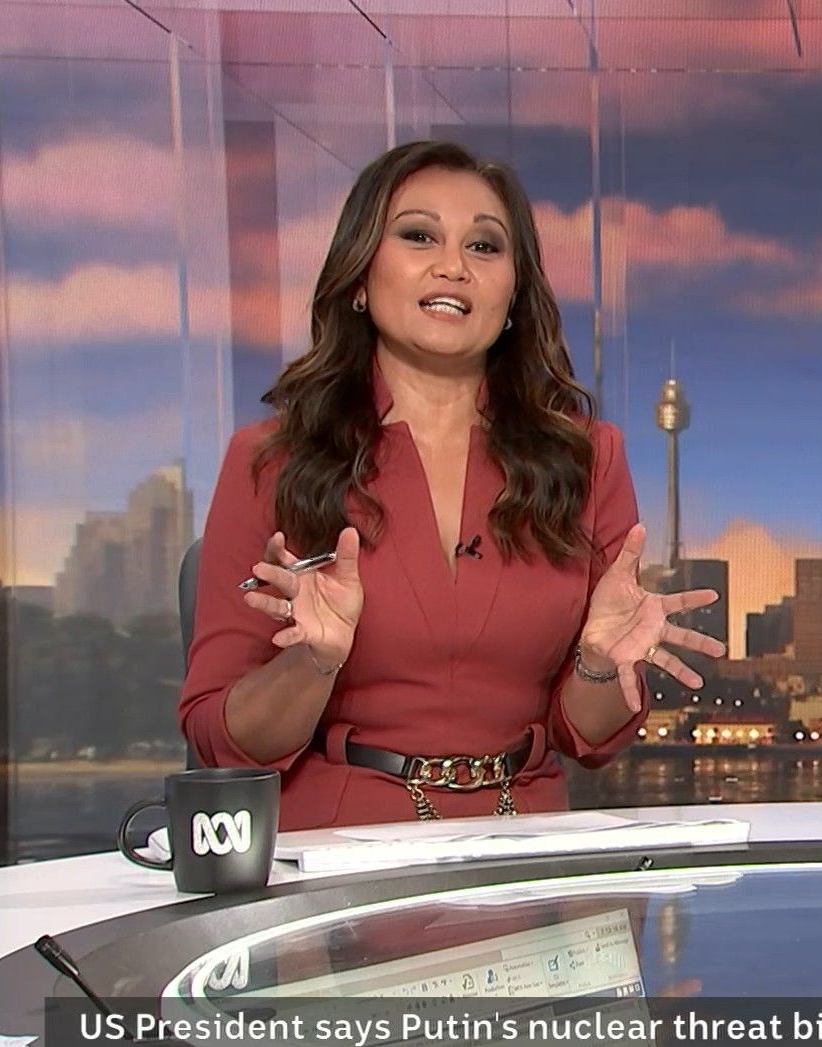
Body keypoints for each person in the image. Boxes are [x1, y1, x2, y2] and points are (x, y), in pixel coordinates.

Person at [179, 139, 725, 830]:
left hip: (527, 838)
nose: (453, 266)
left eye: (484, 247)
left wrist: (597, 664)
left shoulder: (587, 459)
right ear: (358, 276)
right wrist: (312, 662)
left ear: (515, 293)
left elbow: (588, 740)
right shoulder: (271, 460)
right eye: (418, 236)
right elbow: (220, 738)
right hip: (340, 842)